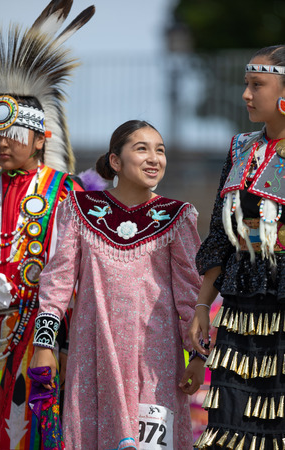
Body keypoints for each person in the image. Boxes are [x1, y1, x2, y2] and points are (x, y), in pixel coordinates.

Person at [30, 119, 205, 450]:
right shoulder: (79, 210)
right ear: (115, 161)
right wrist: (44, 345)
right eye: (142, 149)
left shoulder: (176, 216)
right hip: (94, 359)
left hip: (156, 365)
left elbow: (190, 295)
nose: (154, 158)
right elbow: (57, 284)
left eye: (160, 150)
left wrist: (198, 356)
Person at [0, 2, 95, 449]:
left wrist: (63, 345)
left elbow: (79, 278)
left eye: (13, 136)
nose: (1, 144)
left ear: (40, 138)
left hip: (39, 338)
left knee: (36, 432)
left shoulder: (67, 193)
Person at [190, 45, 285, 449]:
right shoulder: (239, 148)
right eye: (247, 84)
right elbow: (220, 235)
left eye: (256, 85)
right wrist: (200, 308)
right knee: (229, 425)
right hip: (239, 307)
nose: (246, 95)